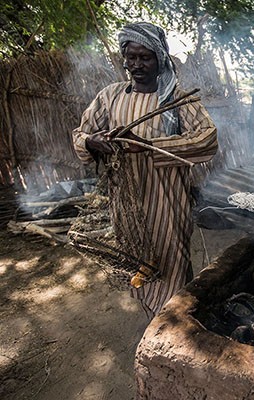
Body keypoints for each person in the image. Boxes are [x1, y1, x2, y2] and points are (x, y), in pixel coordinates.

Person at [72, 22, 218, 318]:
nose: (137, 65)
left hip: (166, 200)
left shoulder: (176, 99)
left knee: (172, 261)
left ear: (160, 58)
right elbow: (80, 134)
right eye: (131, 57)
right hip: (126, 204)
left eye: (145, 57)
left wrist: (151, 145)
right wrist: (93, 142)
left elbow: (207, 138)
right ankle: (154, 320)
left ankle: (175, 323)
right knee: (139, 263)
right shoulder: (110, 96)